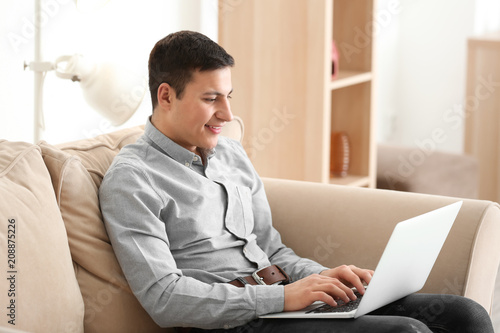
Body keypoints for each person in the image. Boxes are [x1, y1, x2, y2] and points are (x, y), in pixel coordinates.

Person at [99, 30, 494, 333]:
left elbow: (270, 247)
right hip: (234, 321)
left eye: (229, 97)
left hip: (284, 299)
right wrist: (282, 297)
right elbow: (164, 298)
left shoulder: (230, 154)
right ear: (166, 96)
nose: (226, 113)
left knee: (467, 315)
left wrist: (321, 276)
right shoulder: (132, 180)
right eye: (210, 99)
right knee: (405, 331)